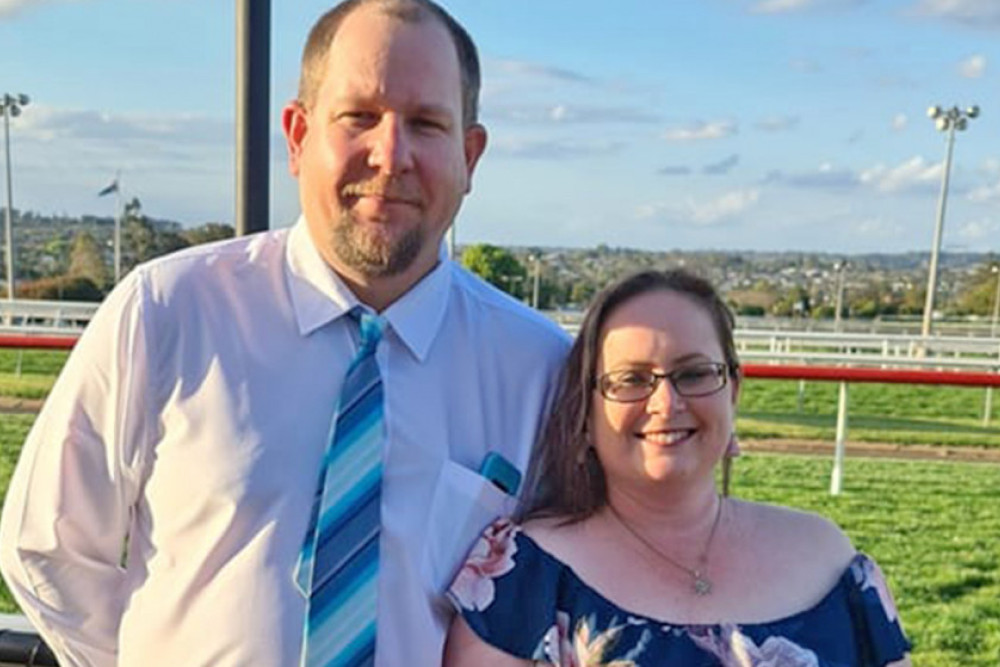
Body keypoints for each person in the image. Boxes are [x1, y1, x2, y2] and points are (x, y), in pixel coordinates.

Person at [0, 1, 569, 665]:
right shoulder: (164, 313)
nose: (392, 155)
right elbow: (48, 544)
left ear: (470, 155)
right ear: (298, 136)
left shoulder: (540, 368)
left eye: (426, 123)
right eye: (359, 116)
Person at [444, 270, 912, 667]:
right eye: (631, 380)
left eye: (693, 373)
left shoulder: (829, 561)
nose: (666, 404)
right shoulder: (523, 576)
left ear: (733, 392)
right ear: (585, 415)